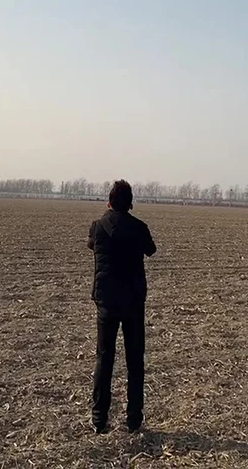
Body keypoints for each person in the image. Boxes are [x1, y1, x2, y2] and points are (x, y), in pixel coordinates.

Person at [87, 179, 157, 434]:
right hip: (133, 301)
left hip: (106, 299)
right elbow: (151, 250)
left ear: (109, 200)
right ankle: (133, 419)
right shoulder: (139, 228)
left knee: (104, 358)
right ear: (130, 203)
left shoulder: (97, 227)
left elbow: (92, 246)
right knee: (134, 360)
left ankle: (99, 419)